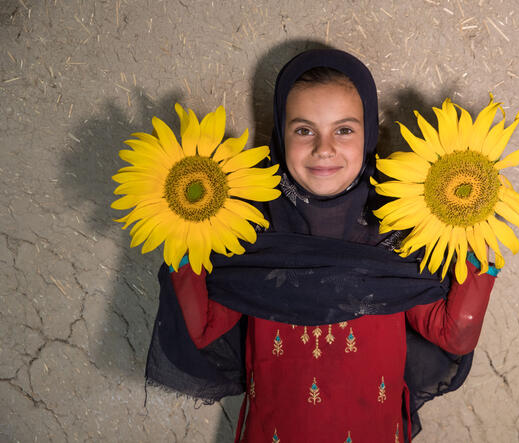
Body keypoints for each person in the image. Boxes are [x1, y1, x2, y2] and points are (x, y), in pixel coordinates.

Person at [145, 49, 498, 443]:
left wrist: (476, 239)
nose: (324, 148)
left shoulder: (398, 230)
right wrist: (183, 231)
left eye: (344, 129)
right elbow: (203, 328)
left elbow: (453, 335)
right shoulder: (250, 230)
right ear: (281, 135)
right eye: (303, 130)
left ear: (368, 136)